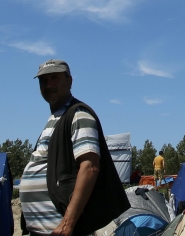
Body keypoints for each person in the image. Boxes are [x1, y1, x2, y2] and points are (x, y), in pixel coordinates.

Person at [20, 59, 129, 236]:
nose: (48, 85)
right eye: (43, 81)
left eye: (54, 78)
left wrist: (66, 224)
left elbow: (90, 167)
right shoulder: (56, 119)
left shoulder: (78, 115)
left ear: (69, 81)